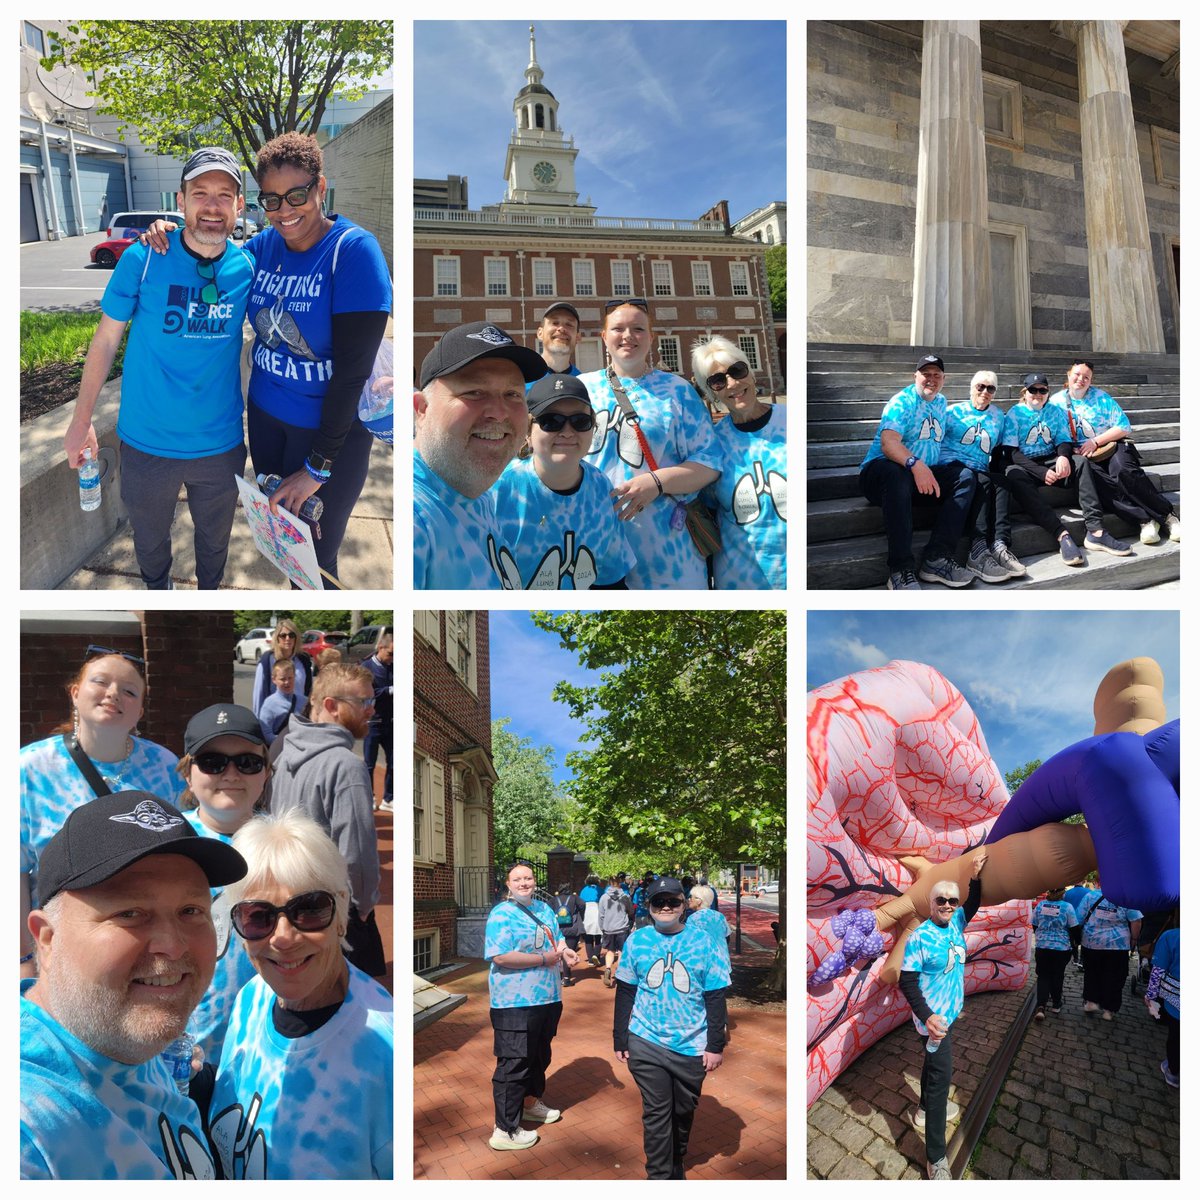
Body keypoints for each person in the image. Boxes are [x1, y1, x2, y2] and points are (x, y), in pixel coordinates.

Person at [21, 791, 246, 1179]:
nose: (173, 946)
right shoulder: (30, 1127)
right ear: (47, 940)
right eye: (130, 913)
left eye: (191, 910)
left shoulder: (121, 1034)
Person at [63, 147, 254, 590]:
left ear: (239, 206)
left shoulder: (248, 267)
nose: (211, 205)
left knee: (214, 546)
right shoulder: (144, 257)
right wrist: (80, 421)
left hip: (220, 443)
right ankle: (159, 594)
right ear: (181, 199)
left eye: (224, 195)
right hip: (147, 444)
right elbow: (106, 339)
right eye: (200, 192)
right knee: (150, 544)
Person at [209, 810, 393, 1178]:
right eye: (257, 916)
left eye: (308, 910)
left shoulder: (386, 1052)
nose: (283, 937)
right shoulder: (252, 997)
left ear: (341, 913)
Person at [20, 646, 183, 977]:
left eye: (129, 691)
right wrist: (23, 961)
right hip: (59, 952)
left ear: (139, 710)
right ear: (76, 694)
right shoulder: (28, 769)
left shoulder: (165, 767)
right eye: (101, 682)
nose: (113, 694)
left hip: (146, 945)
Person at [580, 299, 722, 589]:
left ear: (651, 337)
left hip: (666, 549)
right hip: (593, 546)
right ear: (604, 337)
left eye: (638, 329)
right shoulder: (582, 389)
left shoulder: (677, 390)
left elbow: (710, 462)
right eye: (618, 328)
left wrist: (656, 482)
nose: (628, 336)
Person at [268, 664, 383, 978]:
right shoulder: (346, 766)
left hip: (288, 902)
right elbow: (357, 856)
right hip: (334, 913)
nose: (371, 709)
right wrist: (361, 907)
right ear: (331, 706)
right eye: (363, 702)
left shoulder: (283, 754)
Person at [414, 321, 548, 587]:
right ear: (422, 409)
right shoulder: (417, 522)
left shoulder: (474, 491)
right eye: (474, 392)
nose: (498, 412)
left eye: (512, 394)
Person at [613, 877, 730, 1180]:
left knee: (683, 1111)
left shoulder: (702, 941)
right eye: (658, 902)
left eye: (673, 902)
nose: (665, 907)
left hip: (691, 1044)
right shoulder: (637, 940)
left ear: (683, 905)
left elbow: (715, 994)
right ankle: (660, 1177)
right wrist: (620, 1036)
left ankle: (675, 1158)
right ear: (649, 907)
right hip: (646, 1039)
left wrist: (715, 1045)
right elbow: (625, 990)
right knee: (657, 1112)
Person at [176, 703, 270, 1062]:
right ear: (189, 774)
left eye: (247, 762)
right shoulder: (164, 846)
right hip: (176, 1055)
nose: (231, 773)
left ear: (265, 772)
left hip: (263, 1050)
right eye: (213, 762)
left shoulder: (287, 847)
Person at [490, 374, 636, 589]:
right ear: (527, 431)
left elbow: (611, 578)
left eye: (580, 421)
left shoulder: (601, 487)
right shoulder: (496, 489)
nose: (567, 432)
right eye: (551, 421)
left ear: (592, 428)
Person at [897, 852, 987, 1181]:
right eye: (941, 900)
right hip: (933, 1023)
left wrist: (975, 877)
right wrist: (928, 1016)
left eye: (951, 900)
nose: (947, 905)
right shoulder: (919, 937)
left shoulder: (956, 923)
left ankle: (921, 1111)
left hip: (948, 1016)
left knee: (932, 1067)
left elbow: (973, 903)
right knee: (940, 1082)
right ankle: (935, 1157)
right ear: (930, 903)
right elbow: (906, 981)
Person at [858, 355, 976, 590]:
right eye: (925, 374)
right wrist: (916, 464)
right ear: (915, 377)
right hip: (881, 474)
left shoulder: (941, 402)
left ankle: (937, 558)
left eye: (936, 375)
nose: (930, 379)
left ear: (944, 379)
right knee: (897, 474)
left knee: (965, 477)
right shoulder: (902, 401)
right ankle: (900, 569)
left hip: (918, 478)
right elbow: (889, 443)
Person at [484, 861, 578, 1151]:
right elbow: (500, 956)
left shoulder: (544, 909)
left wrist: (566, 952)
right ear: (508, 885)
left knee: (539, 1056)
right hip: (514, 1002)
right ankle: (505, 1129)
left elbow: (557, 940)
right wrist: (543, 960)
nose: (524, 883)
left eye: (528, 878)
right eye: (518, 879)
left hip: (548, 997)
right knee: (514, 1063)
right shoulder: (502, 914)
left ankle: (530, 1103)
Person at [1049, 360, 1178, 549]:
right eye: (1077, 374)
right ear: (1068, 375)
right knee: (1094, 480)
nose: (1081, 379)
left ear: (1091, 380)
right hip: (1081, 454)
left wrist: (1095, 441)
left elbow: (1124, 426)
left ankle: (1168, 517)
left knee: (1123, 469)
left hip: (1110, 445)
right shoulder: (1056, 402)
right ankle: (1145, 520)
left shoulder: (1101, 398)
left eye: (1087, 377)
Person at [691, 336, 787, 589]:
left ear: (751, 373)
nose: (732, 383)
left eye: (737, 371)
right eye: (718, 380)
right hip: (740, 580)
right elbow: (707, 508)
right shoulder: (711, 445)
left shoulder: (793, 420)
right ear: (711, 392)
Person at [996, 373, 1087, 569]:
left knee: (1081, 463)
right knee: (1013, 474)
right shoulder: (1015, 413)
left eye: (1042, 390)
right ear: (1025, 392)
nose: (1037, 394)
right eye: (1033, 390)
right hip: (1026, 465)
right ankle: (1061, 534)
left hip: (1050, 460)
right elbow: (1011, 452)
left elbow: (1063, 439)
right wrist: (1040, 472)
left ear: (1047, 393)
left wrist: (1063, 455)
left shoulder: (1055, 411)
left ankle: (1096, 527)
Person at [940, 371, 1010, 583]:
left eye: (990, 388)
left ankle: (1000, 545)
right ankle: (978, 549)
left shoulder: (998, 416)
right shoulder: (952, 412)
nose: (985, 392)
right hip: (951, 466)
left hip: (979, 468)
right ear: (971, 388)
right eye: (980, 387)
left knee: (1001, 481)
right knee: (981, 481)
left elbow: (998, 448)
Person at [1078, 884, 1142, 1020]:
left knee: (1092, 972)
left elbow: (1079, 917)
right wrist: (1134, 939)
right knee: (1115, 976)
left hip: (1092, 942)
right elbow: (1136, 920)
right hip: (1117, 944)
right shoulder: (1127, 896)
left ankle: (1091, 1002)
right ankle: (1109, 1009)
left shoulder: (1091, 895)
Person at [1031, 885, 1078, 1020]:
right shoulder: (1067, 907)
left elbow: (1034, 924)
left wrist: (1042, 935)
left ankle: (1041, 1006)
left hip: (1042, 946)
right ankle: (1056, 1004)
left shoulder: (1040, 905)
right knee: (1057, 975)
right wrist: (1076, 942)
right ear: (1063, 893)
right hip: (1061, 948)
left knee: (1043, 976)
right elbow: (1074, 927)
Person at [250, 620, 313, 716]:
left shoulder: (303, 660)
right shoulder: (267, 661)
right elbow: (259, 695)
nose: (288, 638)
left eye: (292, 635)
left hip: (300, 717)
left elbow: (309, 690)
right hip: (276, 719)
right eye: (283, 635)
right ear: (277, 638)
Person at [1144, 923, 1179, 1087]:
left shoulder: (1172, 936)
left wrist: (1150, 995)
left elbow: (1158, 970)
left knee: (1177, 1037)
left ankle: (1174, 1071)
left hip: (1177, 1002)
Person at [362, 633, 394, 813]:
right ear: (381, 648)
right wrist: (389, 690)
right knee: (369, 763)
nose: (392, 658)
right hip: (372, 721)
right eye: (390, 653)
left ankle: (388, 798)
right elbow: (368, 693)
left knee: (394, 761)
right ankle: (369, 796)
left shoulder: (393, 666)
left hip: (390, 721)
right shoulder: (367, 667)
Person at [529, 302, 583, 384]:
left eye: (569, 324)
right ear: (540, 333)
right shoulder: (522, 380)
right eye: (555, 323)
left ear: (577, 337)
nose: (561, 328)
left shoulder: (583, 384)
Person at [599, 875, 635, 987]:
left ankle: (608, 968)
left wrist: (602, 928)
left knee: (610, 951)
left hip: (608, 929)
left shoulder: (604, 897)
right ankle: (619, 973)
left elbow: (601, 915)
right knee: (621, 951)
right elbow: (630, 911)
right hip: (622, 928)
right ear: (620, 883)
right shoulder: (625, 897)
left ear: (609, 883)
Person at [258, 658, 305, 742]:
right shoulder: (269, 704)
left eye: (290, 678)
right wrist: (287, 743)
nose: (287, 682)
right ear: (274, 680)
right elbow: (266, 734)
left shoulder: (304, 701)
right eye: (282, 679)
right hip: (280, 749)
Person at [552, 881, 585, 986]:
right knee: (568, 952)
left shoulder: (554, 900)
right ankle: (566, 978)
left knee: (559, 953)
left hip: (558, 930)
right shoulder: (574, 898)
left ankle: (561, 976)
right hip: (572, 929)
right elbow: (583, 905)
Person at [579, 874, 604, 966]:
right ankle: (596, 956)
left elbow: (580, 903)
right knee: (598, 937)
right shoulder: (600, 890)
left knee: (588, 938)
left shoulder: (584, 890)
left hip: (587, 913)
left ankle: (590, 959)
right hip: (597, 911)